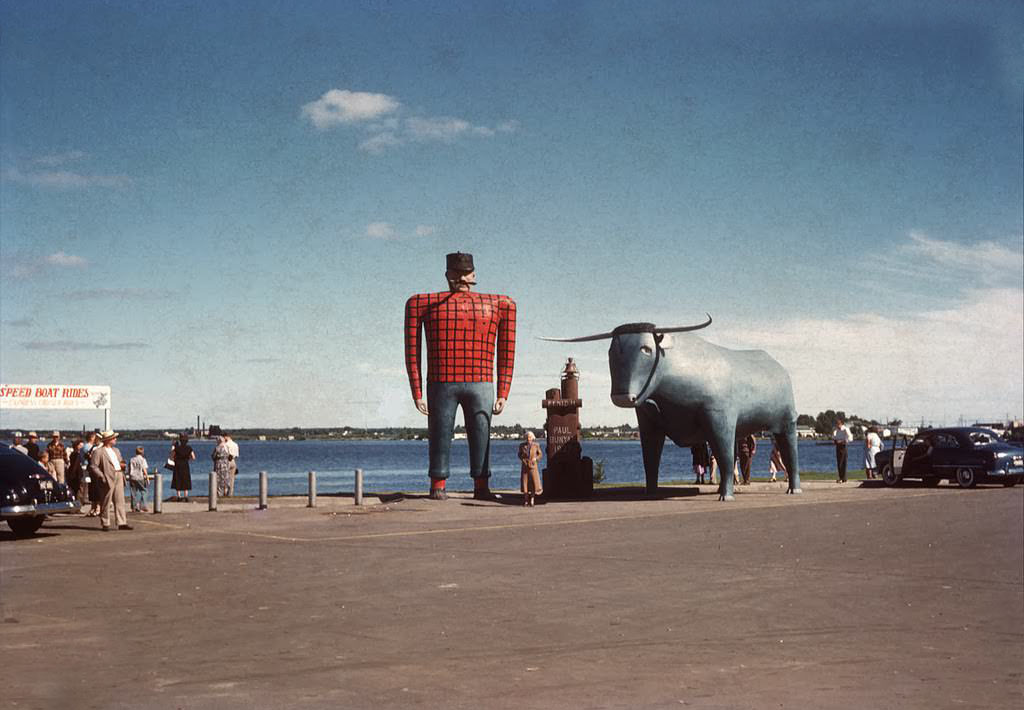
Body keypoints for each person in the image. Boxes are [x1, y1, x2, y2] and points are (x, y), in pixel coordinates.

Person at [404, 251, 517, 500]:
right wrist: (417, 392)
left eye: (466, 274)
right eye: (457, 274)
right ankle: (439, 483)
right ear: (447, 276)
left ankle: (480, 485)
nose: (462, 280)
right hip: (443, 381)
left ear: (474, 275)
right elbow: (412, 351)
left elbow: (507, 350)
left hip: (478, 381)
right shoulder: (421, 303)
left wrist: (503, 392)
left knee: (481, 432)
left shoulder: (501, 304)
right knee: (440, 431)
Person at [92, 430, 130, 531]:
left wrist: (123, 465)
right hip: (107, 477)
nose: (115, 439)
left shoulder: (116, 450)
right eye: (113, 438)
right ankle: (105, 523)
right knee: (106, 500)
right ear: (108, 440)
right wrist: (102, 476)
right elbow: (93, 466)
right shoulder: (98, 452)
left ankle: (122, 522)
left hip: (118, 474)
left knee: (120, 500)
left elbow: (120, 461)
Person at [518, 430, 543, 506]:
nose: (528, 438)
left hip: (533, 466)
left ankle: (532, 500)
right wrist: (522, 459)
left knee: (533, 483)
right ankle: (526, 500)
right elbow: (519, 454)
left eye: (530, 437)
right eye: (527, 437)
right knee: (525, 483)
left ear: (532, 438)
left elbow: (540, 454)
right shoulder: (522, 445)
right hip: (525, 466)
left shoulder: (536, 445)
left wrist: (536, 459)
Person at [84, 432, 103, 516]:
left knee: (97, 489)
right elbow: (88, 456)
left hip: (98, 470)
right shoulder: (94, 447)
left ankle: (98, 508)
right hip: (92, 470)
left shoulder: (101, 447)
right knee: (92, 489)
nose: (95, 440)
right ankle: (93, 507)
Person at [171, 434, 194, 502]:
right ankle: (186, 495)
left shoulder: (177, 448)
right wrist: (187, 459)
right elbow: (193, 457)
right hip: (185, 465)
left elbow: (172, 456)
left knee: (178, 479)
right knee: (186, 479)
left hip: (178, 465)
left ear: (180, 440)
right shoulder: (189, 448)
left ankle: (179, 496)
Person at [127, 446, 150, 512]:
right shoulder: (143, 460)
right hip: (140, 477)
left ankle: (133, 507)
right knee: (144, 491)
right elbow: (144, 469)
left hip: (132, 477)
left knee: (133, 492)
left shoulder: (131, 459)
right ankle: (142, 506)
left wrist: (129, 476)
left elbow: (129, 469)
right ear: (142, 452)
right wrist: (147, 478)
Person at [66, 437, 87, 502]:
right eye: (80, 445)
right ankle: (78, 504)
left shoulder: (73, 454)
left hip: (74, 474)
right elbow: (75, 466)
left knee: (75, 489)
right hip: (76, 475)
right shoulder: (76, 454)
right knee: (78, 490)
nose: (81, 447)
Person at [833, 418, 853, 483]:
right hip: (838, 447)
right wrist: (836, 441)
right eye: (836, 423)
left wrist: (843, 441)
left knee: (843, 462)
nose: (837, 425)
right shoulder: (836, 430)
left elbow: (850, 438)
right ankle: (841, 477)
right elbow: (834, 438)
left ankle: (843, 477)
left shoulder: (845, 429)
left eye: (838, 423)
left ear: (841, 423)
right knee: (839, 462)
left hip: (843, 446)